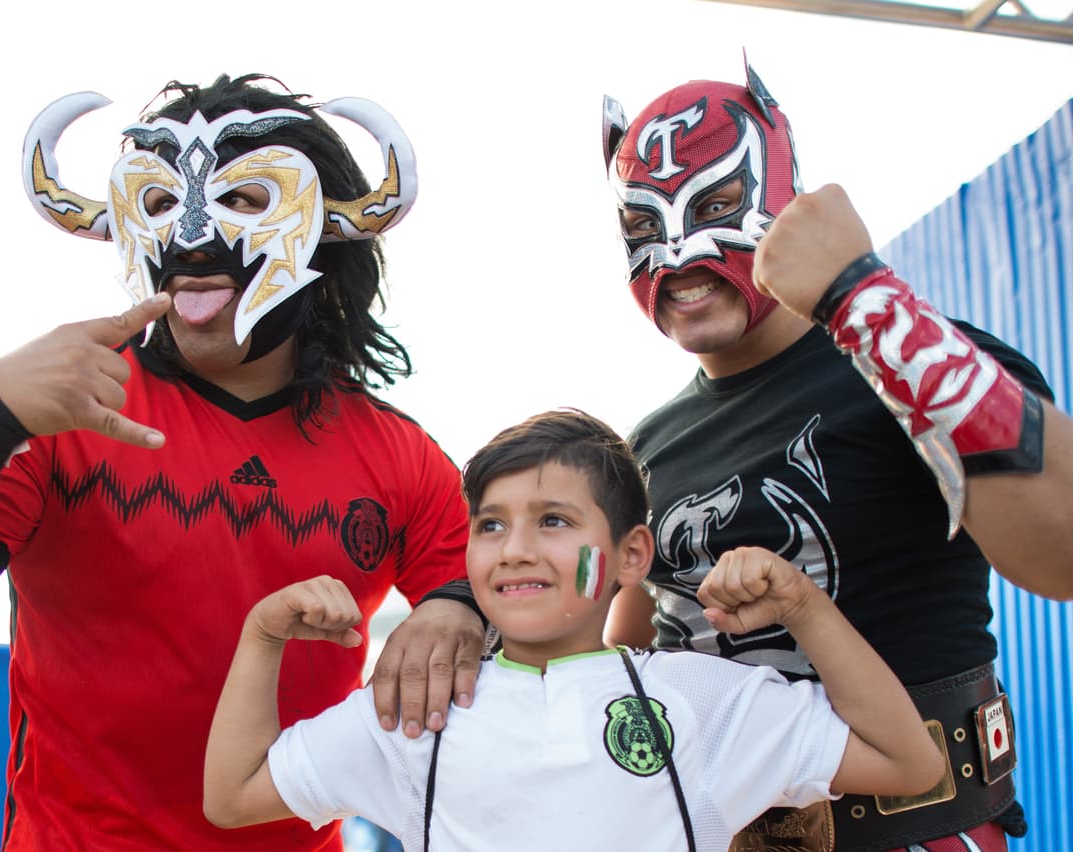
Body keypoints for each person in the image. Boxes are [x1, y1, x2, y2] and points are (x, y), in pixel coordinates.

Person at [372, 64, 1073, 851]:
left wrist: (860, 298)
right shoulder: (649, 443)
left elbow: (1062, 554)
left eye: (712, 207)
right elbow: (621, 651)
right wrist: (462, 607)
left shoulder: (906, 359)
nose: (675, 255)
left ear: (786, 197)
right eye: (642, 227)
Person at [0, 73, 479, 852]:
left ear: (321, 228)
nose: (194, 239)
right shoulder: (63, 414)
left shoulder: (399, 455)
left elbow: (519, 613)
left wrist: (460, 608)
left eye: (245, 201)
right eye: (159, 205)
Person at [201, 410, 944, 852]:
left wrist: (804, 608)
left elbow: (907, 763)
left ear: (630, 555)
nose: (515, 548)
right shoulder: (417, 710)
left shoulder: (700, 700)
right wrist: (261, 637)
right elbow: (232, 797)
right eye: (491, 526)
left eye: (553, 521)